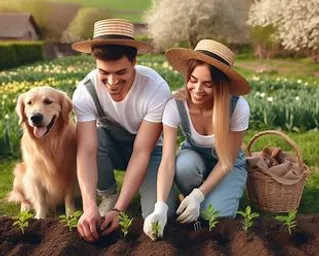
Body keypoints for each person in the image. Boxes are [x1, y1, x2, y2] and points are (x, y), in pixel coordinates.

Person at [72, 19, 176, 242]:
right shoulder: (85, 91)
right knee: (91, 137)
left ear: (134, 61)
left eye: (121, 72)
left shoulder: (155, 88)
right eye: (104, 73)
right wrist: (88, 205)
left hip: (149, 151)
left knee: (156, 216)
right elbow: (87, 152)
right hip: (111, 145)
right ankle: (108, 195)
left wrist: (120, 211)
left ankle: (125, 200)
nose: (112, 82)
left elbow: (141, 152)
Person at [143, 39, 252, 240]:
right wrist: (159, 206)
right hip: (194, 159)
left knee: (214, 216)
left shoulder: (237, 107)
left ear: (221, 86)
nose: (197, 89)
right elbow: (167, 160)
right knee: (183, 165)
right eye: (193, 80)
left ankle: (202, 196)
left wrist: (197, 196)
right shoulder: (175, 106)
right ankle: (192, 196)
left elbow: (227, 161)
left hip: (228, 163)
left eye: (207, 84)